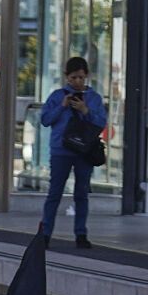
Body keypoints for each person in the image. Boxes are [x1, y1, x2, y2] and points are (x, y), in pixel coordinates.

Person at [38, 56, 106, 249]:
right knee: (54, 193)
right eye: (73, 78)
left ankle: (81, 234)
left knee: (82, 193)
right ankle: (45, 234)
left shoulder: (94, 98)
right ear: (66, 77)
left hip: (84, 151)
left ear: (87, 77)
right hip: (61, 151)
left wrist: (86, 110)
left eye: (81, 78)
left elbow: (101, 123)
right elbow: (45, 120)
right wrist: (62, 106)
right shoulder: (57, 96)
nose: (77, 82)